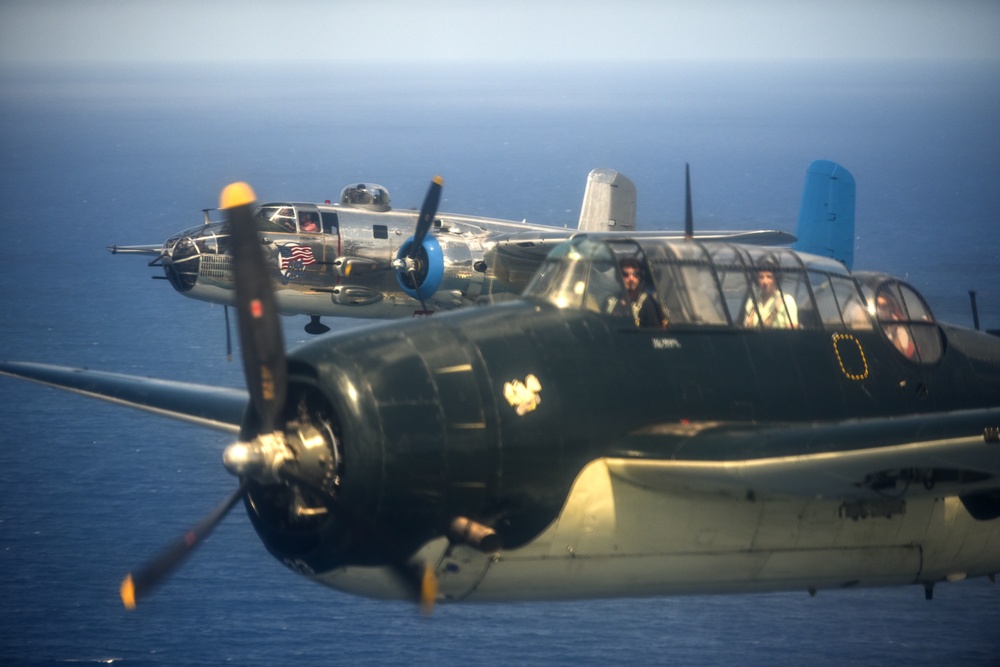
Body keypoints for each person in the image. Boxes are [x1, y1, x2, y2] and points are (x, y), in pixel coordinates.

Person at [620, 257, 667, 328]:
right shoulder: (610, 301)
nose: (631, 279)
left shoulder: (648, 303)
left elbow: (655, 334)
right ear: (618, 277)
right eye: (625, 274)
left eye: (635, 274)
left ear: (640, 277)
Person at [876, 291, 916, 358]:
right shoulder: (873, 327)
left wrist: (894, 333)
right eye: (877, 306)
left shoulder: (900, 331)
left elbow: (903, 357)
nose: (880, 309)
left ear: (891, 309)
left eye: (884, 306)